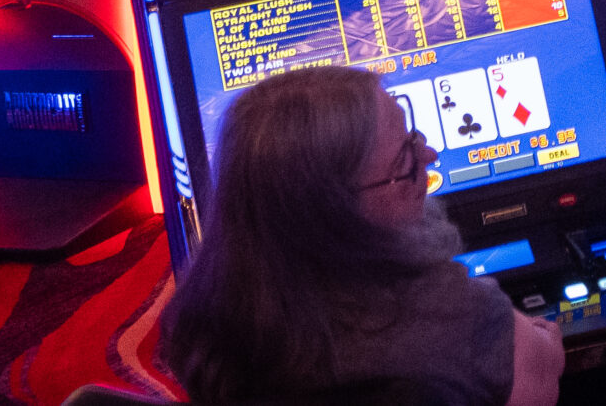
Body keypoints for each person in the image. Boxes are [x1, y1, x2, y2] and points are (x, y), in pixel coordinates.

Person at [162, 64, 564, 406]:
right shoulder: (448, 313)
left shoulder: (207, 322)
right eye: (404, 158)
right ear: (337, 213)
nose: (429, 157)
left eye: (415, 137)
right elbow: (542, 374)